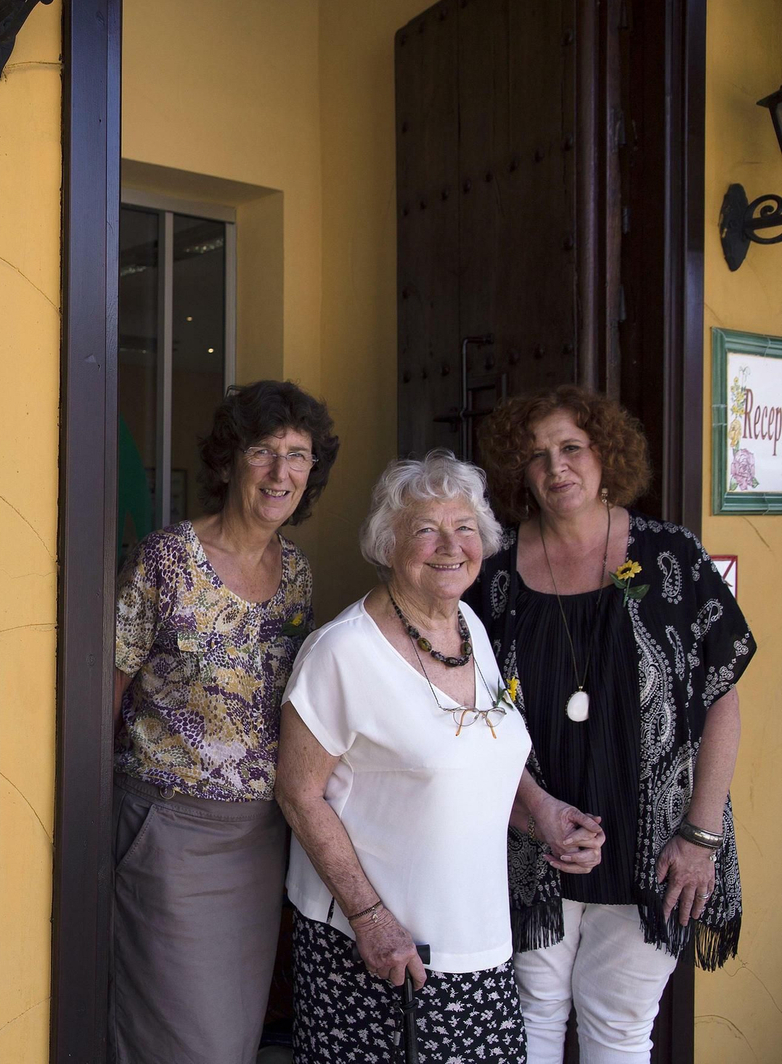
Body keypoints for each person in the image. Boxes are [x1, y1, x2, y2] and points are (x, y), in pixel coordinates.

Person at [275, 451, 604, 1063]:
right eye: (426, 528)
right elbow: (298, 792)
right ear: (388, 543)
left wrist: (546, 815)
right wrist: (371, 918)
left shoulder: (469, 629)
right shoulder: (342, 653)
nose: (450, 545)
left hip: (478, 938)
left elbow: (477, 762)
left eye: (466, 528)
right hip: (381, 953)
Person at [470, 386, 755, 1063]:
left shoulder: (672, 558)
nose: (556, 467)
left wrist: (700, 835)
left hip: (657, 844)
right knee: (529, 1021)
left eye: (572, 447)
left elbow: (722, 698)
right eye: (536, 455)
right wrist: (531, 813)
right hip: (531, 841)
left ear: (606, 454)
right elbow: (470, 717)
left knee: (620, 1028)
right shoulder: (493, 573)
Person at [109, 380, 338, 1064]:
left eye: (297, 456)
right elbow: (110, 689)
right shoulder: (166, 559)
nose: (280, 472)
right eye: (263, 451)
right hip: (171, 835)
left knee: (234, 1036)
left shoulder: (295, 572)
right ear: (230, 461)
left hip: (260, 838)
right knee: (185, 1038)